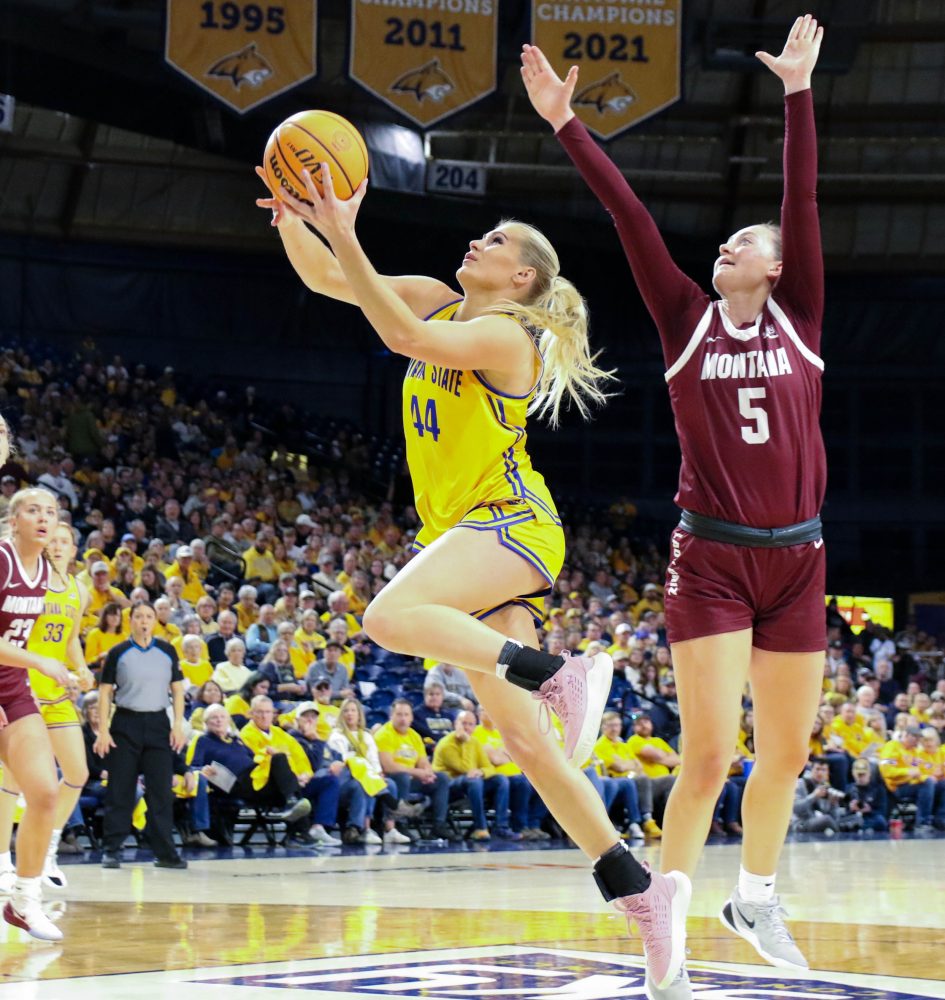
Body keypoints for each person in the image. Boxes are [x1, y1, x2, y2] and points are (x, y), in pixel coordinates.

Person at [259, 155, 683, 982]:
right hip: (469, 536)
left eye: (493, 240)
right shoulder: (433, 295)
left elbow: (405, 340)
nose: (475, 241)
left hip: (510, 522)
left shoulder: (507, 336)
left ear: (521, 277)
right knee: (525, 742)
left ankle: (558, 672)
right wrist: (292, 215)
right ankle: (641, 892)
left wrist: (342, 226)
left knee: (386, 619)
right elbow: (326, 278)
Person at [522, 14, 826, 989]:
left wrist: (797, 94)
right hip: (714, 557)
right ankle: (667, 930)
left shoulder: (801, 317)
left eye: (744, 244)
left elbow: (800, 199)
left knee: (786, 752)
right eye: (727, 242)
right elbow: (632, 220)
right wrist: (567, 126)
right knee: (707, 756)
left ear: (774, 267)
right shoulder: (685, 319)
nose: (726, 247)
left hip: (800, 558)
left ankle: (755, 897)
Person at [0, 521, 93, 892]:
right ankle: (3, 861)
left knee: (77, 772)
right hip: (23, 687)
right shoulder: (30, 583)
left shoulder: (79, 590)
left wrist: (81, 668)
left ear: (73, 550)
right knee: (10, 780)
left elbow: (70, 640)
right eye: (52, 540)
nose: (56, 546)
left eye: (64, 542)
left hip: (56, 690)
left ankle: (47, 850)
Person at [0, 485, 72, 940]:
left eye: (50, 511)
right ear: (14, 521)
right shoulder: (1, 560)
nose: (44, 518)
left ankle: (24, 902)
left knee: (45, 792)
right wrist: (40, 661)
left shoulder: (44, 568)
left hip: (11, 689)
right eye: (33, 510)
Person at [94, 601, 188, 870]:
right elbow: (104, 692)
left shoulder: (167, 651)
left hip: (158, 723)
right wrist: (103, 730)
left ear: (155, 620)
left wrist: (178, 724)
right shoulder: (118, 652)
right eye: (138, 616)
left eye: (149, 616)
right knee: (120, 789)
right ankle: (112, 850)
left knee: (161, 791)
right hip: (125, 723)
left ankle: (165, 852)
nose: (144, 621)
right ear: (131, 620)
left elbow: (177, 690)